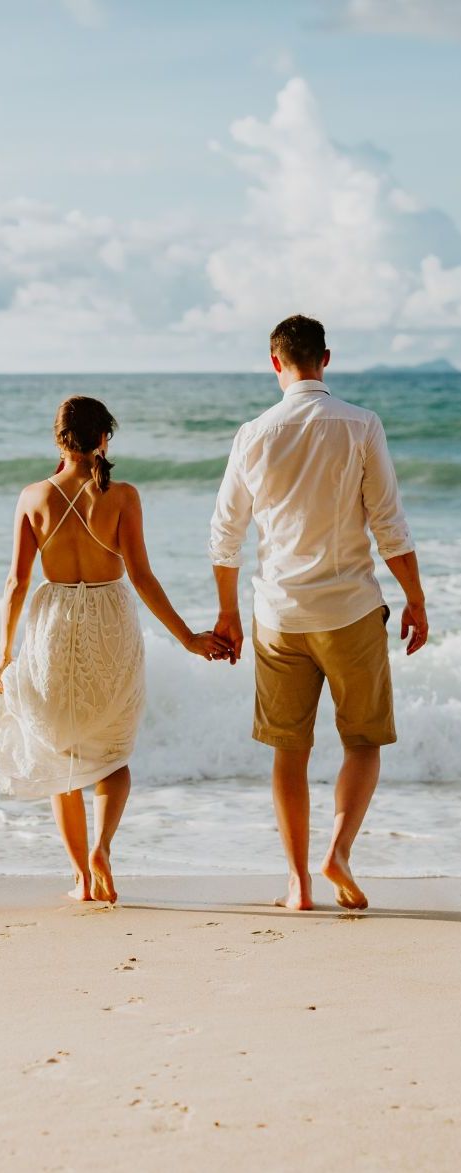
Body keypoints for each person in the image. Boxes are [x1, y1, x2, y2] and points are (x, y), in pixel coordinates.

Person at [210, 315, 428, 911]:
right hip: (352, 609)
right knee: (362, 742)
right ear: (325, 358)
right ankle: (338, 850)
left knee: (290, 749)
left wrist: (228, 614)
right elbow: (389, 522)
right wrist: (416, 597)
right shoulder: (361, 424)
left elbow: (224, 534)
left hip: (278, 614)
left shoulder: (252, 434)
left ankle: (298, 883)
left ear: (274, 362)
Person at [0, 396, 228, 903]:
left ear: (58, 439)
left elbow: (16, 582)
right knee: (113, 751)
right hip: (110, 622)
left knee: (59, 756)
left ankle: (81, 879)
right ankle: (103, 849)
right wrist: (189, 639)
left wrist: (4, 653)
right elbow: (143, 576)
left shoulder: (32, 497)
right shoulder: (124, 497)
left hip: (52, 627)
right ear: (104, 438)